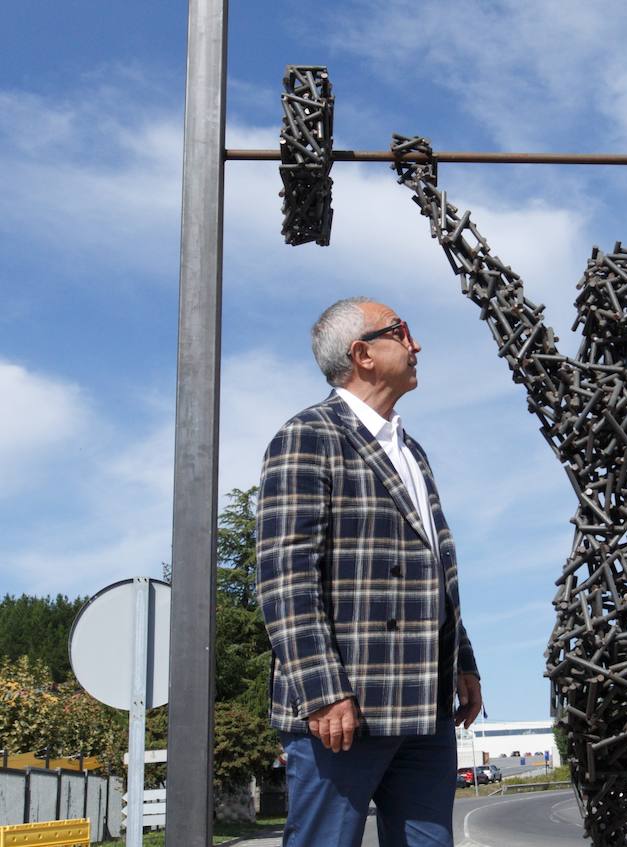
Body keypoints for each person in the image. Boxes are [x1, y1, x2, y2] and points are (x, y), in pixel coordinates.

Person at [256, 297, 481, 847]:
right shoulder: (308, 435)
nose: (416, 344)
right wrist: (323, 692)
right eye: (401, 332)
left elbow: (434, 570)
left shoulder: (413, 452)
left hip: (425, 709)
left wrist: (463, 662)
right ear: (362, 354)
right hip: (344, 712)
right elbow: (286, 577)